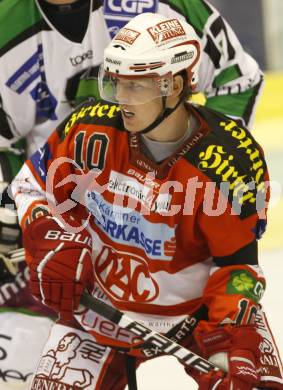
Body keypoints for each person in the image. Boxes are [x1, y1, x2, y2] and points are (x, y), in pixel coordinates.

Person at [12, 12, 283, 390]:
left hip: (201, 313)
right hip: (100, 310)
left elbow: (237, 268)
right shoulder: (91, 131)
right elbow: (30, 184)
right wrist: (46, 234)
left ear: (173, 86)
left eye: (135, 87)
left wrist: (229, 341)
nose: (121, 98)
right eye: (117, 83)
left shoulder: (229, 160)